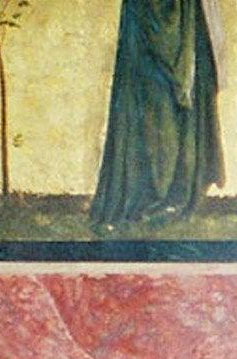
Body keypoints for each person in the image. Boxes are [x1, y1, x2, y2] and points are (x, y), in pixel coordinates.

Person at [90, 0, 227, 232]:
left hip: (184, 23)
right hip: (151, 29)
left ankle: (173, 195)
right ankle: (153, 196)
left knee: (173, 113)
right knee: (155, 114)